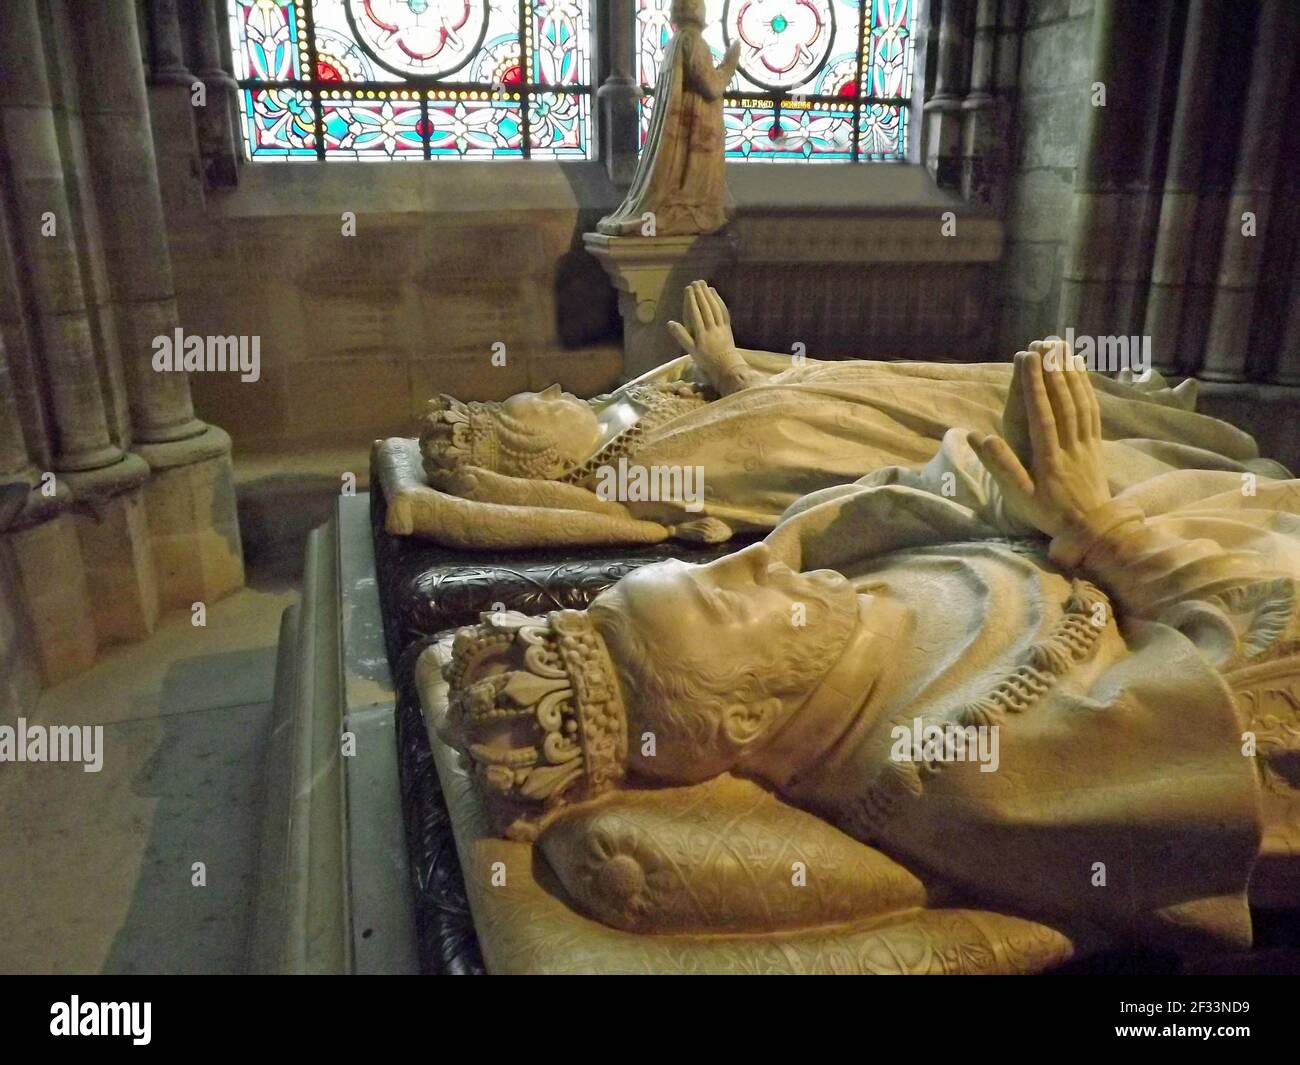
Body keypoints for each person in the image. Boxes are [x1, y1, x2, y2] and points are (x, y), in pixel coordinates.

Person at [446, 348, 1300, 952]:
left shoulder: (820, 602)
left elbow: (922, 488)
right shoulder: (973, 766)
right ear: (745, 713)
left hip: (1189, 507)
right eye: (721, 594)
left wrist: (1023, 481)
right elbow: (1261, 704)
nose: (749, 560)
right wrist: (1098, 529)